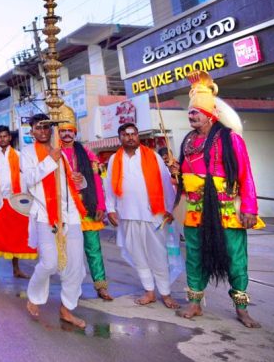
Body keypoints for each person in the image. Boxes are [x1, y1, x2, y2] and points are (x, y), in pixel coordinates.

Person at [174, 71, 263, 328]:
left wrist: (249, 208)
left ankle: (242, 308)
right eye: (190, 112)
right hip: (195, 210)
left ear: (211, 113)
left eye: (196, 111)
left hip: (226, 210)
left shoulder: (230, 139)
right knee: (194, 256)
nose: (191, 115)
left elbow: (245, 174)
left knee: (236, 258)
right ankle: (194, 303)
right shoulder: (188, 141)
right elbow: (186, 179)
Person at [22, 113, 88, 328]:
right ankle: (35, 295)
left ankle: (67, 309)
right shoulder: (28, 153)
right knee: (49, 262)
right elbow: (30, 180)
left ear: (51, 130)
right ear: (31, 131)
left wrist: (80, 180)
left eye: (46, 127)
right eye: (38, 127)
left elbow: (70, 184)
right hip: (45, 214)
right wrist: (51, 160)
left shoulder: (61, 152)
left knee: (75, 265)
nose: (42, 131)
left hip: (70, 215)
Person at [104, 122, 177, 308]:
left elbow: (166, 183)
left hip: (153, 214)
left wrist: (170, 208)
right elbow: (110, 187)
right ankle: (149, 291)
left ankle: (166, 293)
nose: (130, 137)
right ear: (120, 138)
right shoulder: (115, 159)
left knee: (158, 255)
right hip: (127, 214)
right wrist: (110, 208)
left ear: (138, 136)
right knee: (138, 256)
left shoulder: (152, 156)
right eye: (126, 134)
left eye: (133, 134)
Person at [58, 108, 113, 301]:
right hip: (65, 209)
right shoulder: (54, 154)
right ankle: (71, 287)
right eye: (63, 130)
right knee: (69, 252)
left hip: (87, 208)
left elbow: (98, 182)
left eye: (69, 130)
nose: (66, 134)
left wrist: (100, 206)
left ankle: (101, 286)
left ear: (75, 132)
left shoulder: (87, 154)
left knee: (93, 248)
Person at [0, 125, 30, 279]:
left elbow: (27, 176)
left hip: (14, 199)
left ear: (10, 137)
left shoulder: (18, 155)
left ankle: (16, 268)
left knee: (15, 234)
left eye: (5, 136)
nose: (2, 139)